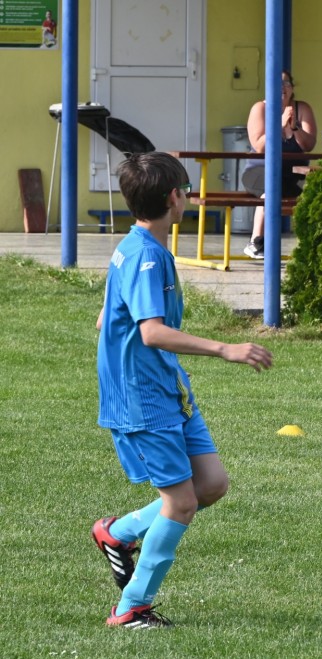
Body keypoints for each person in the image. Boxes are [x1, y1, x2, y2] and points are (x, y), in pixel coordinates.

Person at [92, 152, 273, 628]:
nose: (188, 197)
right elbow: (151, 332)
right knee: (182, 503)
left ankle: (118, 532)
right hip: (143, 399)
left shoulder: (137, 246)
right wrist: (225, 348)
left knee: (210, 485)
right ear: (174, 197)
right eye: (187, 189)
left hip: (169, 388)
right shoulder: (146, 256)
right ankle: (132, 607)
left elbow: (107, 318)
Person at [242, 70, 317, 259]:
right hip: (259, 171)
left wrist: (294, 128)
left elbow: (308, 145)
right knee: (270, 190)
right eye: (277, 82)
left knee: (316, 191)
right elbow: (260, 146)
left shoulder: (302, 109)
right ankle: (256, 241)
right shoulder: (260, 108)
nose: (282, 87)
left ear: (292, 87)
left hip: (293, 174)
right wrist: (279, 125)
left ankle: (312, 245)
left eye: (286, 83)